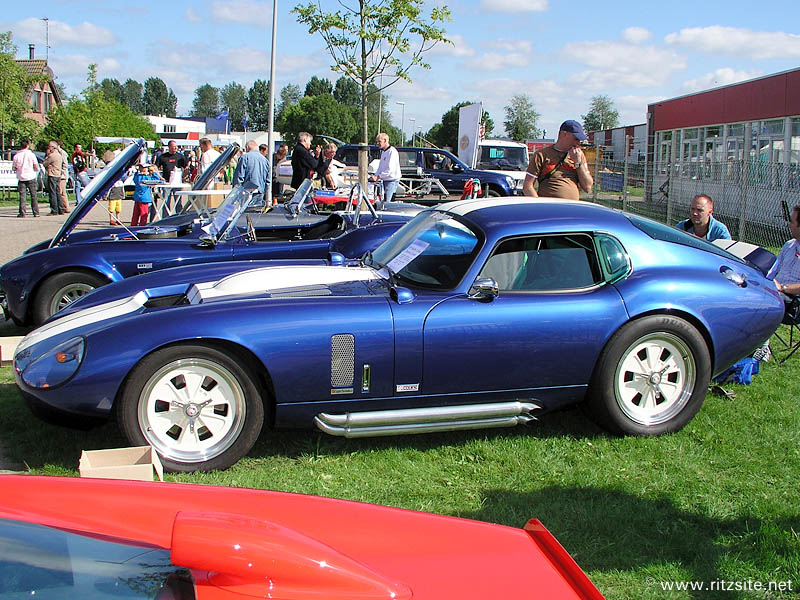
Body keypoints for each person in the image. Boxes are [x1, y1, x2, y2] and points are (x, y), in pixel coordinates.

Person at [523, 120, 594, 200]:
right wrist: (540, 206)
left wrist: (578, 163)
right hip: (549, 208)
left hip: (572, 208)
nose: (578, 143)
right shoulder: (541, 155)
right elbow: (527, 186)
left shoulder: (579, 156)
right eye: (576, 139)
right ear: (564, 134)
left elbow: (587, 187)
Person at [768, 205, 800, 297]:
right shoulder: (789, 245)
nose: (789, 225)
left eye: (792, 222)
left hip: (792, 299)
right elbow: (773, 271)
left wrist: (783, 288)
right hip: (775, 292)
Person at [370, 132, 401, 206]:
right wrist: (375, 175)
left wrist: (378, 177)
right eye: (377, 142)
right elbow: (381, 167)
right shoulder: (383, 152)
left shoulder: (392, 152)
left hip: (391, 180)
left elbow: (390, 170)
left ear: (385, 140)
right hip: (385, 180)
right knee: (383, 201)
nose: (378, 143)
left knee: (388, 203)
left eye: (379, 141)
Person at [12, 138, 40, 217]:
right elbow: (36, 166)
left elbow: (14, 168)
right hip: (31, 176)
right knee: (33, 195)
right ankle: (36, 212)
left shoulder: (17, 156)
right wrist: (34, 169)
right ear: (27, 145)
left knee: (22, 196)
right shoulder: (31, 154)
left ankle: (22, 212)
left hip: (21, 177)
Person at [43, 141, 65, 215]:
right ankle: (61, 209)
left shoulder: (52, 156)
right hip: (58, 175)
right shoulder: (59, 155)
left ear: (53, 147)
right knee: (58, 192)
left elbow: (45, 163)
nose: (48, 148)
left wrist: (47, 155)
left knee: (52, 193)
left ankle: (54, 210)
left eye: (49, 146)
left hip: (52, 174)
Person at [57, 140, 70, 213]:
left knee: (62, 191)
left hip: (62, 175)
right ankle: (62, 206)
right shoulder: (59, 153)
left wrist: (61, 172)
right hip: (60, 174)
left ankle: (66, 207)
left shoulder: (62, 153)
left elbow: (65, 164)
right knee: (60, 191)